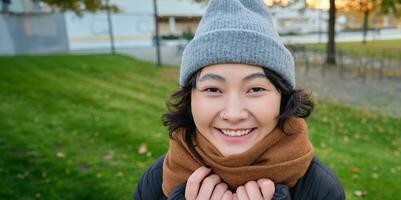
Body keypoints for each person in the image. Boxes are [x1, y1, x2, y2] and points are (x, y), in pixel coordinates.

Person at [134, 0, 345, 199]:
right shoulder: (155, 182)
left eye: (255, 89)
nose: (234, 114)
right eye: (213, 89)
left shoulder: (321, 189)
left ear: (283, 96)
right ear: (190, 97)